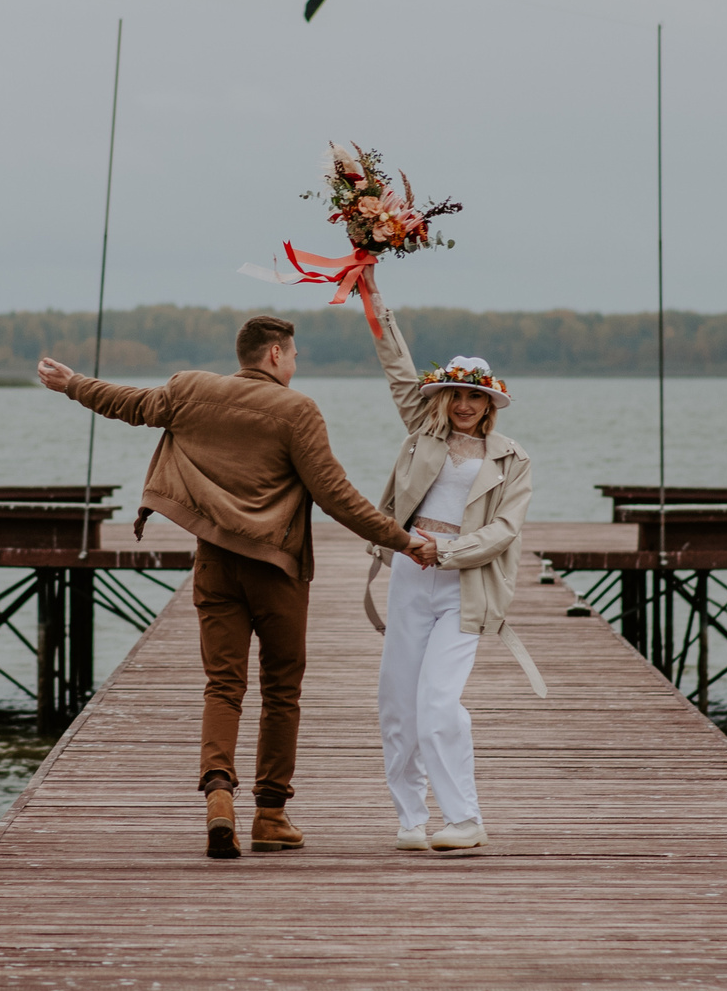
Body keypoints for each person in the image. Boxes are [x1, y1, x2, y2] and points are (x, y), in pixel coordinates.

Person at [38, 316, 434, 859]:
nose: (295, 366)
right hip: (277, 571)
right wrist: (403, 540)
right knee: (281, 689)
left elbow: (127, 403)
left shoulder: (189, 390)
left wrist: (74, 384)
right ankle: (270, 815)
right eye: (293, 356)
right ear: (274, 354)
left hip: (216, 563)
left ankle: (218, 797)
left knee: (223, 685)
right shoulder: (297, 411)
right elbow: (336, 495)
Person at [365, 303, 534, 853]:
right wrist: (372, 298)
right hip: (409, 577)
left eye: (474, 396)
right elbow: (396, 366)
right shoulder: (422, 431)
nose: (463, 405)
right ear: (442, 398)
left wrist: (446, 550)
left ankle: (465, 818)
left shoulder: (512, 460)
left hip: (465, 585)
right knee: (397, 702)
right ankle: (411, 818)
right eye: (455, 394)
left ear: (490, 402)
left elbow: (505, 530)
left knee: (438, 702)